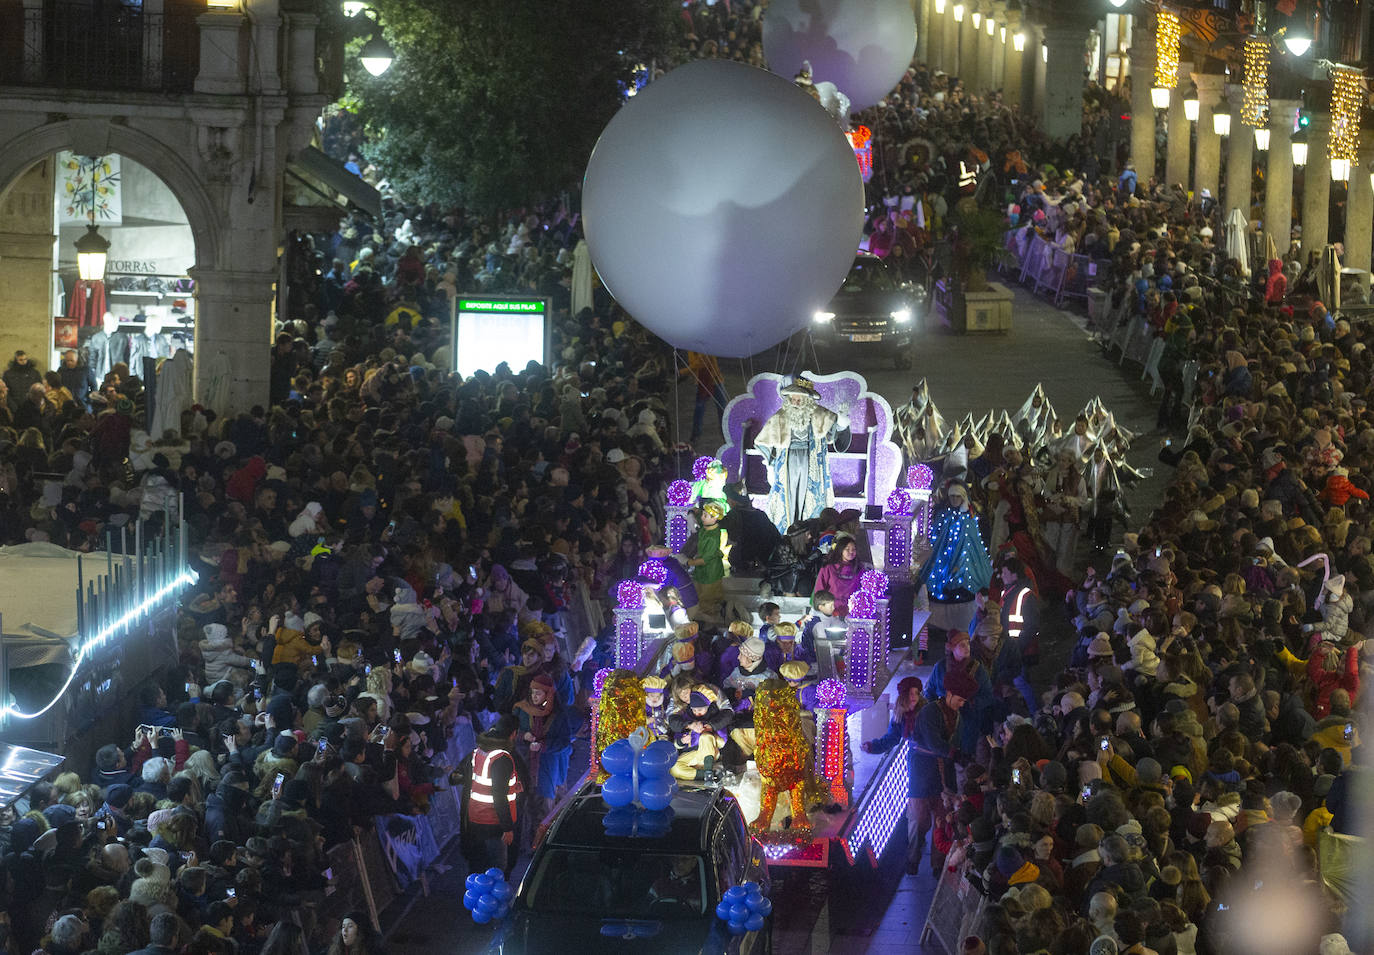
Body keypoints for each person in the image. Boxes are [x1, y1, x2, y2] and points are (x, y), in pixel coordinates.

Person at [754, 376, 848, 533]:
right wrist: (771, 461)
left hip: (810, 462)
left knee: (808, 495)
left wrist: (842, 420)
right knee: (788, 495)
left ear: (808, 400)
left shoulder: (819, 414)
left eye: (799, 400)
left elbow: (834, 432)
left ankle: (808, 530)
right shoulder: (780, 416)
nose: (795, 403)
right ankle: (787, 530)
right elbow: (762, 441)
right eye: (793, 399)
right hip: (788, 463)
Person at [862, 676, 934, 873]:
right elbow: (892, 738)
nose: (914, 698)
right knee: (917, 818)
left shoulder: (928, 712)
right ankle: (913, 858)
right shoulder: (900, 716)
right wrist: (873, 746)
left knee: (935, 817)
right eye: (910, 694)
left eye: (916, 694)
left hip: (935, 766)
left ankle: (936, 864)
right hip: (917, 769)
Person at [461, 715, 525, 876]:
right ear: (513, 734)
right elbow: (498, 795)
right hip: (493, 823)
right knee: (497, 868)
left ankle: (474, 898)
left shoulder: (479, 751)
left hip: (476, 817)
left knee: (478, 865)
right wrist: (508, 828)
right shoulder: (502, 758)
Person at [998, 557, 1041, 714]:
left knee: (1020, 681)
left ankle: (1034, 713)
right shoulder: (1006, 592)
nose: (1001, 575)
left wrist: (1016, 647)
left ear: (1014, 575)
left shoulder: (1026, 595)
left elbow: (1032, 626)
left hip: (1019, 650)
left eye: (1004, 572)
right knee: (1017, 682)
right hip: (1010, 648)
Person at [813, 534, 864, 617]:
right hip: (831, 612)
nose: (851, 552)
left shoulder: (859, 569)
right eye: (847, 549)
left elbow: (862, 591)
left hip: (851, 612)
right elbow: (819, 591)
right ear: (840, 550)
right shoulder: (828, 567)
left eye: (853, 549)